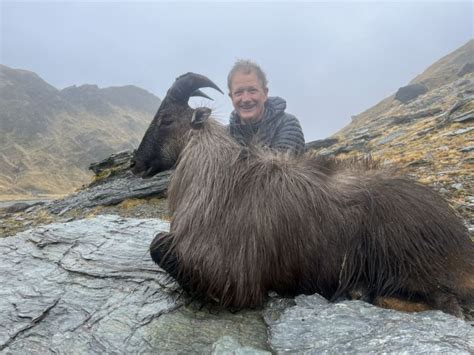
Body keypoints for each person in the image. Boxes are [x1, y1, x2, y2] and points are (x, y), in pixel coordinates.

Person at [227, 60, 305, 155]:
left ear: (265, 93)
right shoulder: (224, 135)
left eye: (252, 91)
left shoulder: (287, 124)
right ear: (231, 97)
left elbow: (278, 167)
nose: (246, 99)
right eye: (239, 93)